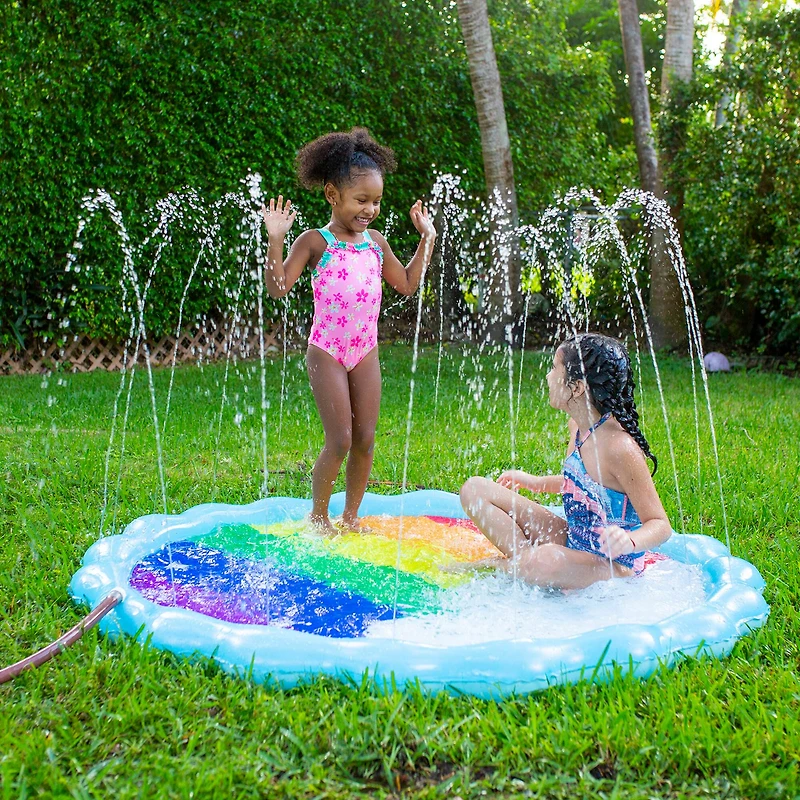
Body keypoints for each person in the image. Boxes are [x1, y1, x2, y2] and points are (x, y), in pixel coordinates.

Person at [261, 127, 436, 531]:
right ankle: (319, 517)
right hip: (327, 351)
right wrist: (275, 240)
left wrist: (425, 239)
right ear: (332, 195)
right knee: (339, 440)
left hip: (365, 352)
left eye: (376, 200)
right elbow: (278, 287)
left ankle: (351, 516)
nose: (370, 209)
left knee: (365, 440)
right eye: (361, 200)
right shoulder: (314, 242)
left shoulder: (375, 242)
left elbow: (407, 285)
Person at [459, 333, 672, 590]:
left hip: (613, 564)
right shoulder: (579, 427)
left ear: (577, 387)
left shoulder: (620, 448)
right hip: (574, 541)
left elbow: (660, 525)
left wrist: (629, 540)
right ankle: (525, 565)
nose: (548, 377)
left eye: (553, 368)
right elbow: (585, 485)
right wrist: (535, 483)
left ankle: (500, 567)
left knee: (547, 559)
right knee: (475, 489)